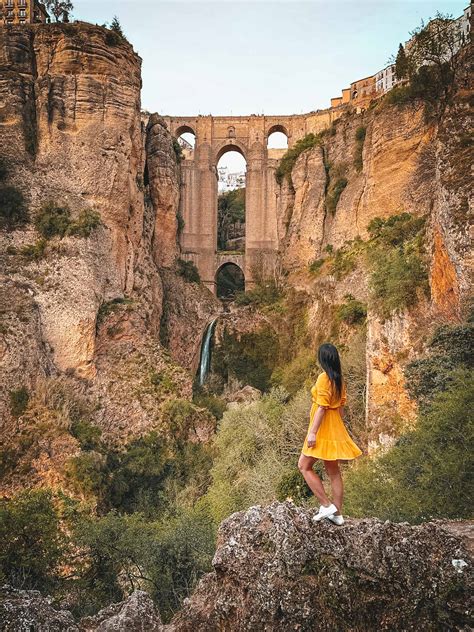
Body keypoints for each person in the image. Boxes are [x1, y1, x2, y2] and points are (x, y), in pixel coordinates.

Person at [298, 342, 362, 525]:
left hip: (323, 427)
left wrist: (312, 433)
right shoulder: (340, 380)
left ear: (322, 359)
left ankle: (326, 505)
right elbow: (341, 409)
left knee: (303, 465)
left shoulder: (323, 378)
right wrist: (338, 430)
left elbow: (321, 408)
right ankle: (338, 514)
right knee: (333, 471)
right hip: (335, 426)